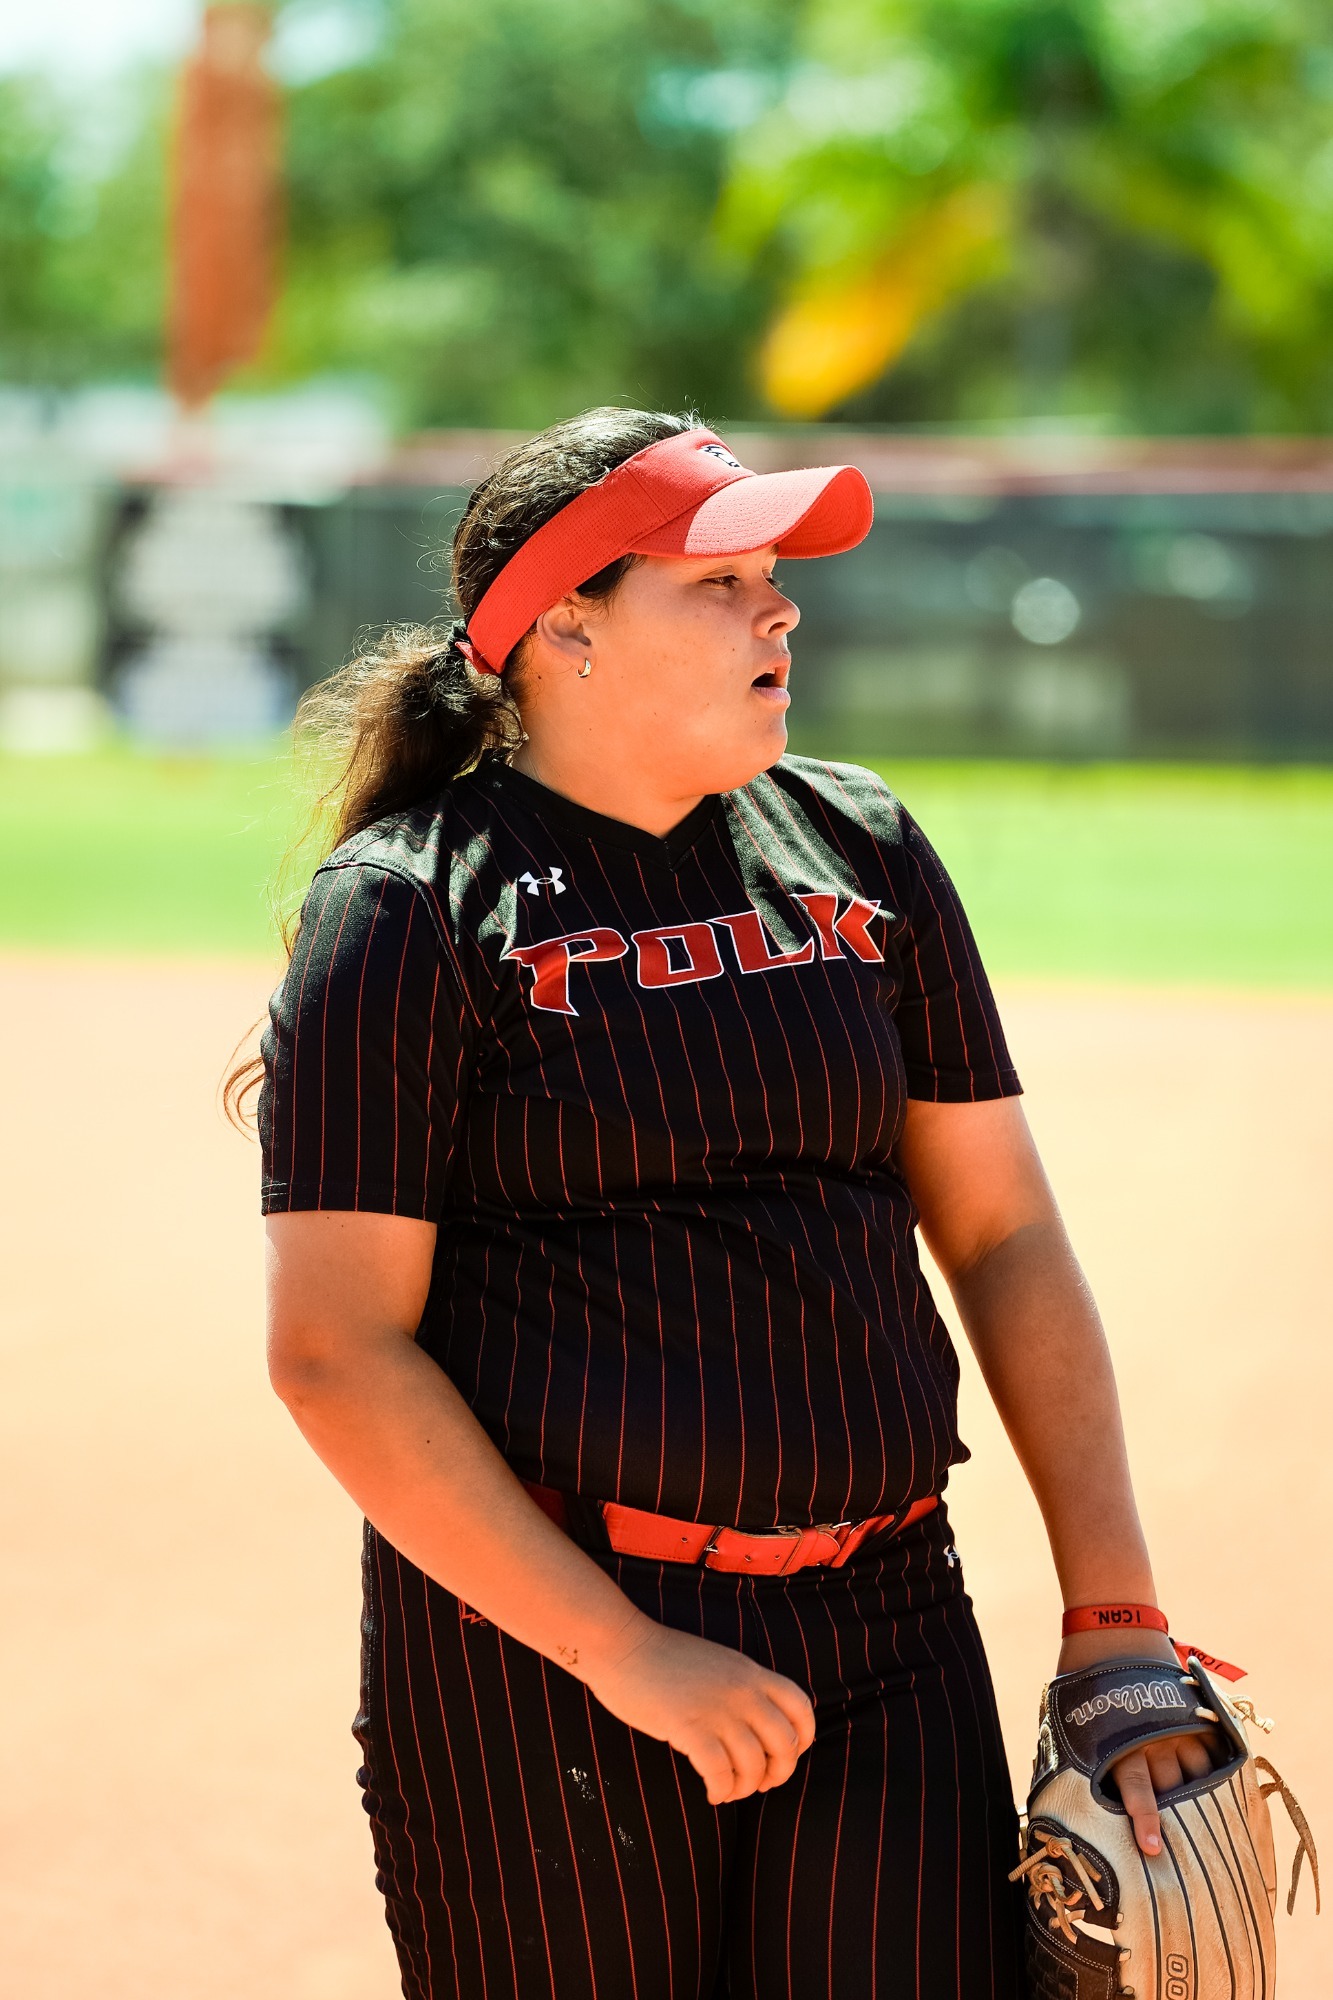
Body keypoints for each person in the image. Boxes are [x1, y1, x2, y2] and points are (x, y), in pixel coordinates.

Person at [241, 407, 1214, 2000]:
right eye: (721, 580)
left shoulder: (856, 847)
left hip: (891, 1623)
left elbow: (1000, 1231)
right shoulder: (411, 907)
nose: (782, 610)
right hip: (545, 1665)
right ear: (565, 625)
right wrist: (623, 1653)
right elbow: (336, 1352)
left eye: (774, 579)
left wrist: (1113, 1612)